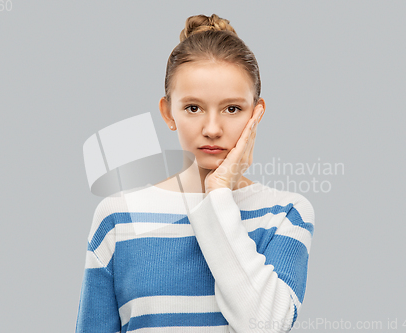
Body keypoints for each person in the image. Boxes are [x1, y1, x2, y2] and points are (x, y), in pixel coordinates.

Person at [75, 14, 315, 333]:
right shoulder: (118, 217)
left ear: (256, 114)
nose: (212, 129)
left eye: (232, 109)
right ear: (167, 112)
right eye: (193, 108)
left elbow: (267, 326)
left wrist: (218, 195)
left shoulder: (285, 214)